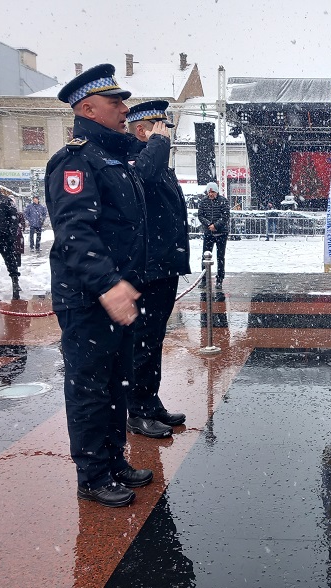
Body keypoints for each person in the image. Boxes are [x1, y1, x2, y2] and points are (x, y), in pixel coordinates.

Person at [45, 63, 152, 508]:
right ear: (88, 108)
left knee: (116, 384)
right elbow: (75, 231)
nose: (125, 109)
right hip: (89, 298)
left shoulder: (111, 157)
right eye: (116, 103)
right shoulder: (76, 158)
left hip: (115, 295)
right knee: (90, 389)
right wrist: (108, 284)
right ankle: (91, 474)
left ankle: (112, 461)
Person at [124, 100, 190, 439]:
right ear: (141, 130)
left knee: (154, 339)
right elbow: (141, 179)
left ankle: (150, 401)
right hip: (147, 269)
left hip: (163, 266)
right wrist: (156, 145)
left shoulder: (156, 160)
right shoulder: (136, 160)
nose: (167, 133)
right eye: (159, 127)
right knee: (142, 342)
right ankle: (137, 410)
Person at [197, 181, 229, 289]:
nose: (210, 194)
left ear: (216, 192)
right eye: (209, 192)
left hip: (221, 234)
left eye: (213, 192)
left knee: (220, 257)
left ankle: (219, 279)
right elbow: (200, 215)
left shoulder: (223, 201)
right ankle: (204, 279)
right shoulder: (203, 202)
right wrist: (208, 224)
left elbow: (225, 216)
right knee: (205, 257)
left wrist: (216, 225)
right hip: (208, 234)